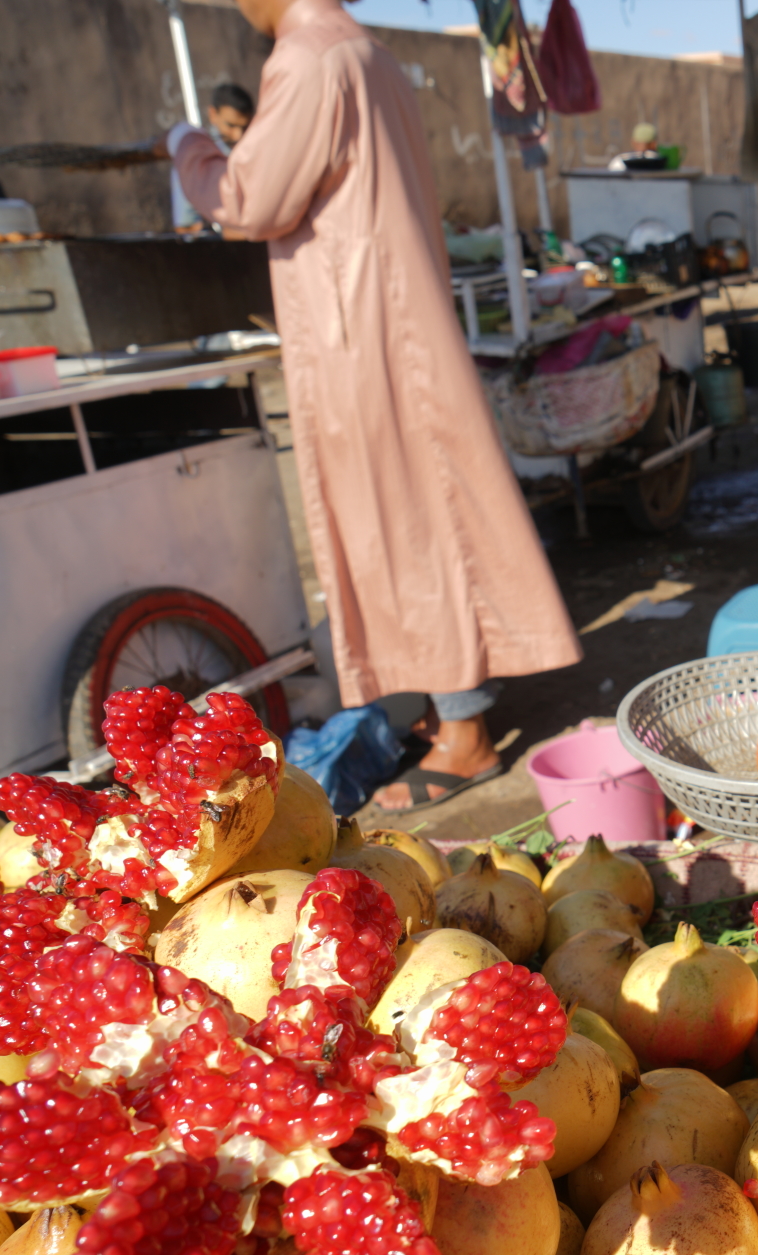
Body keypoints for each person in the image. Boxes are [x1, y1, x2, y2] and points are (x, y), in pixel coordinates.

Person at [162, 0, 582, 811]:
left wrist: (189, 148)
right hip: (385, 316)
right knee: (419, 517)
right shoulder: (366, 54)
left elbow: (249, 200)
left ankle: (465, 735)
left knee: (411, 526)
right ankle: (447, 709)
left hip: (361, 329)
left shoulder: (311, 57)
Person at [171, 83, 256, 232]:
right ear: (213, 115)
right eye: (230, 125)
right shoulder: (192, 160)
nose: (238, 135)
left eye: (244, 127)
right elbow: (187, 227)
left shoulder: (258, 153)